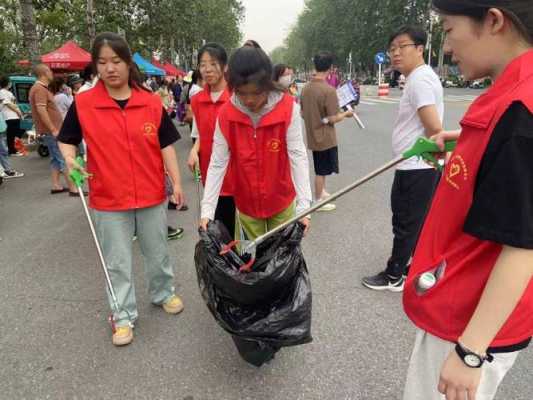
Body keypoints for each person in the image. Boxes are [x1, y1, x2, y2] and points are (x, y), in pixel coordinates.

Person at [401, 2, 533, 399]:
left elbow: (524, 245)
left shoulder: (520, 112)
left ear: (493, 21)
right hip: (464, 308)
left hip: (468, 323)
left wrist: (471, 352)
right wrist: (465, 142)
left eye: (449, 28)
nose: (447, 46)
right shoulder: (511, 97)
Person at [57, 32, 185, 347]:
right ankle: (122, 314)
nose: (110, 68)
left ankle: (163, 292)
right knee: (116, 260)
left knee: (157, 251)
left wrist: (176, 183)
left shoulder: (150, 101)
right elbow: (66, 139)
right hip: (108, 197)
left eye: (116, 61)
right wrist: (71, 161)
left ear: (128, 63)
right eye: (102, 63)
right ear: (95, 67)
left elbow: (166, 144)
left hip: (151, 192)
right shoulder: (84, 103)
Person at [200, 44, 312, 249]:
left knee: (282, 262)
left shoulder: (288, 109)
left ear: (268, 84)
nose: (249, 100)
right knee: (251, 267)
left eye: (256, 92)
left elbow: (298, 156)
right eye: (242, 93)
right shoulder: (226, 115)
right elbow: (217, 163)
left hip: (282, 203)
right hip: (246, 207)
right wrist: (207, 210)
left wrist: (304, 206)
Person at [362, 26, 444, 292]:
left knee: (405, 222)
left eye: (402, 46)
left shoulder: (419, 80)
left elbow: (434, 128)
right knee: (416, 221)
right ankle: (415, 266)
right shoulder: (420, 77)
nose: (395, 53)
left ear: (420, 49)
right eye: (392, 48)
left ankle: (394, 275)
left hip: (416, 165)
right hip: (418, 165)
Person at [187, 43, 235, 236]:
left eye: (213, 64)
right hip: (211, 176)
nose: (207, 69)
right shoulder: (197, 100)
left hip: (238, 178)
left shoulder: (236, 97)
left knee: (239, 235)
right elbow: (200, 133)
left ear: (224, 67)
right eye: (203, 64)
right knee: (218, 232)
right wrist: (193, 150)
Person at [300, 51, 353, 212]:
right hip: (325, 136)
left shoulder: (306, 89)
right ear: (331, 68)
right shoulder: (328, 90)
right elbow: (333, 117)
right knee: (321, 171)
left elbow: (302, 113)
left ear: (315, 66)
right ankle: (317, 201)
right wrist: (346, 114)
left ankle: (321, 192)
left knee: (319, 166)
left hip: (312, 134)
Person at [29, 64, 77, 195]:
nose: (52, 73)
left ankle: (56, 185)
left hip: (51, 130)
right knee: (63, 158)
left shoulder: (41, 88)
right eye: (50, 71)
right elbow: (41, 110)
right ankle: (73, 188)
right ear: (44, 73)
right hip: (52, 131)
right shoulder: (39, 89)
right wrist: (53, 128)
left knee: (55, 159)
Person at [0, 76, 24, 156]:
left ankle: (14, 149)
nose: (10, 83)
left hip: (15, 116)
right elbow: (8, 104)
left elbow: (14, 104)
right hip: (8, 116)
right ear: (7, 83)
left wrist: (20, 113)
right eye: (10, 82)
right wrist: (18, 112)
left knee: (17, 133)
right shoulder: (2, 92)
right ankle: (12, 151)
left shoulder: (10, 93)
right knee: (11, 135)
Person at [0, 111, 24, 179]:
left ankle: (7, 171)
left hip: (2, 128)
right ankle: (8, 171)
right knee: (3, 151)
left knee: (3, 151)